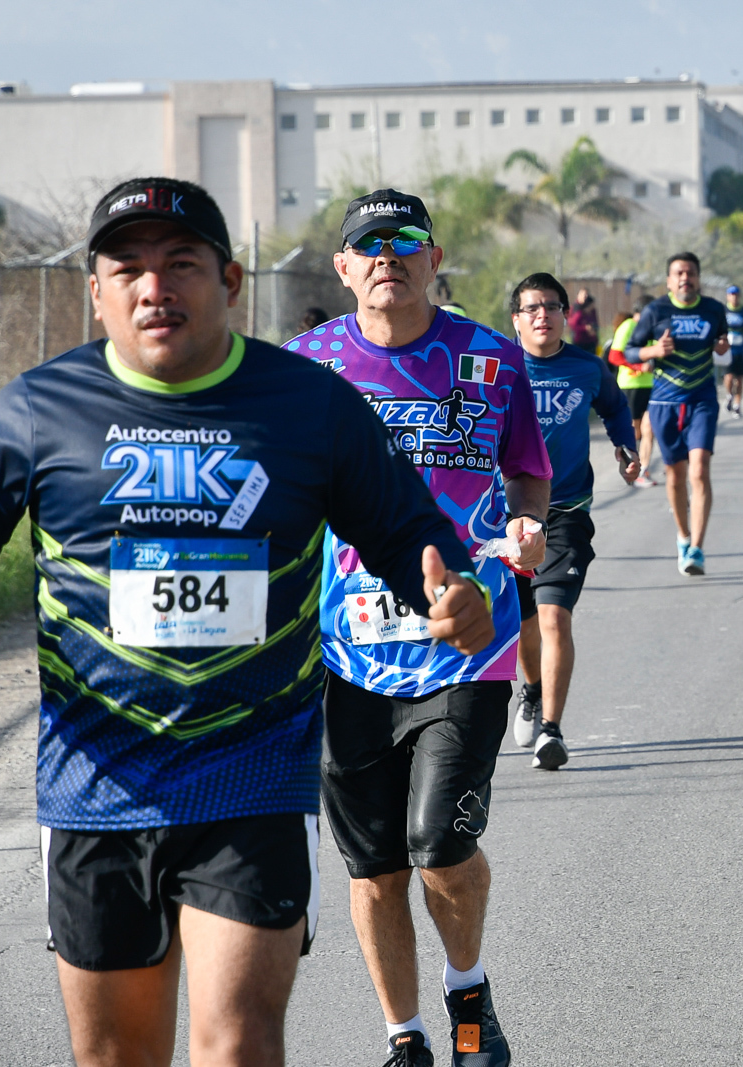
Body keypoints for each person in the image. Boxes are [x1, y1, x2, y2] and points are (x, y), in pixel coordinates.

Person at [0, 177, 492, 1067]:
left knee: (240, 1042)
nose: (154, 286)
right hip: (96, 786)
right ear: (93, 290)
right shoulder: (35, 410)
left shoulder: (310, 405)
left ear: (232, 280)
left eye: (181, 263)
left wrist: (450, 591)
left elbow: (409, 533)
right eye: (126, 267)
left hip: (250, 775)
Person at [285, 188, 551, 1067]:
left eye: (406, 241)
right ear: (344, 267)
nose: (388, 256)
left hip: (469, 644)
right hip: (347, 651)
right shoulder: (304, 369)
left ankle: (467, 988)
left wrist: (522, 534)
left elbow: (527, 476)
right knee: (374, 873)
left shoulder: (493, 359)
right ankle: (405, 1036)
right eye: (370, 243)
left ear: (435, 258)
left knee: (441, 842)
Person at [506, 273, 639, 770]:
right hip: (507, 518)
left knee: (554, 616)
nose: (543, 315)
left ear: (566, 315)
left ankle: (552, 730)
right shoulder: (498, 368)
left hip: (565, 515)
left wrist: (626, 450)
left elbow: (615, 407)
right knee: (521, 626)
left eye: (552, 307)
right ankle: (533, 689)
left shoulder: (586, 367)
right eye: (532, 308)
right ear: (516, 320)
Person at [623, 252, 729, 576]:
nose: (685, 278)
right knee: (676, 475)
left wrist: (723, 347)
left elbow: (722, 343)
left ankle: (696, 548)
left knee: (699, 470)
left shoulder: (714, 309)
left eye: (691, 273)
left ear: (699, 278)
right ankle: (683, 537)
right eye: (679, 273)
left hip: (701, 400)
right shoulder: (656, 311)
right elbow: (629, 350)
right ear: (669, 281)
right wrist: (654, 351)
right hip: (665, 403)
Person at [608, 298, 657, 486]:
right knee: (634, 430)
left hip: (650, 384)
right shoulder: (628, 326)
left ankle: (644, 469)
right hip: (631, 385)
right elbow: (615, 355)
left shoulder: (651, 328)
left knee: (649, 428)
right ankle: (631, 469)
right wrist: (637, 367)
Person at [721, 283, 743, 418]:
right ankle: (729, 396)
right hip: (728, 350)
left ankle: (737, 405)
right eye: (731, 295)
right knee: (728, 377)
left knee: (739, 379)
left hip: (741, 349)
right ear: (728, 296)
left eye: (736, 295)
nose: (734, 298)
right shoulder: (723, 311)